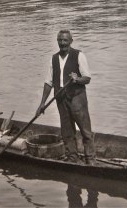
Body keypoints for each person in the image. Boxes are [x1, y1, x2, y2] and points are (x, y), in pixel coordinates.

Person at [36, 30, 96, 165]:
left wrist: (77, 79)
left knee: (85, 131)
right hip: (61, 99)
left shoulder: (79, 55)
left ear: (71, 41)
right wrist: (42, 104)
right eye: (60, 40)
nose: (62, 43)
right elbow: (48, 82)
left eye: (65, 40)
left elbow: (87, 78)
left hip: (77, 98)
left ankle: (90, 160)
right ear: (57, 41)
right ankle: (72, 158)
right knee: (67, 132)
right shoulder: (54, 58)